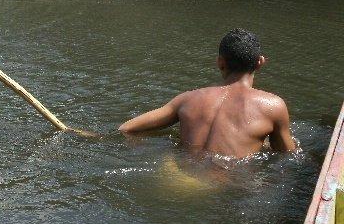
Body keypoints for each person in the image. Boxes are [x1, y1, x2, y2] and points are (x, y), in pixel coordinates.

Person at [118, 28, 296, 159]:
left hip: (176, 179)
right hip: (228, 184)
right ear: (260, 62)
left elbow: (127, 129)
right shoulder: (273, 106)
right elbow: (288, 155)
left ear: (220, 62)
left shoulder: (187, 99)